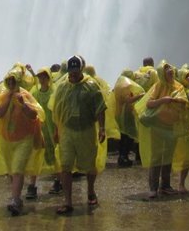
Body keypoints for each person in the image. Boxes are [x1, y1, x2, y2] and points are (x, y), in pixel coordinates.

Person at [48, 54, 106, 215]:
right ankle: (68, 201)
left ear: (82, 69)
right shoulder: (62, 86)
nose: (72, 74)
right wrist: (56, 130)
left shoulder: (92, 86)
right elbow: (57, 110)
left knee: (89, 165)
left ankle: (90, 191)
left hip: (86, 130)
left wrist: (102, 128)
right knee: (65, 165)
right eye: (70, 71)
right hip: (67, 131)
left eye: (75, 71)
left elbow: (101, 108)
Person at [0, 67, 45, 216]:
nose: (11, 83)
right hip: (7, 139)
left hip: (24, 139)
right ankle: (17, 196)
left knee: (17, 169)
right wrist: (8, 100)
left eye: (13, 81)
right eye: (9, 81)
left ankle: (15, 199)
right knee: (12, 171)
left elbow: (34, 115)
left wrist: (23, 104)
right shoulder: (3, 96)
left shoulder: (25, 95)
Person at [136, 60, 188, 198]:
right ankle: (153, 187)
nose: (170, 71)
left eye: (170, 68)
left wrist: (178, 101)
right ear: (161, 73)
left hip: (171, 126)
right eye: (166, 69)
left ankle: (165, 185)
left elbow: (185, 101)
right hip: (158, 126)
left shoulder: (179, 86)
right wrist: (163, 100)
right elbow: (149, 103)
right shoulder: (158, 86)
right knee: (156, 156)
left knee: (168, 156)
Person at [27, 67, 57, 199]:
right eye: (39, 77)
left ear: (48, 78)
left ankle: (58, 181)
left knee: (54, 155)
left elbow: (57, 111)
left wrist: (57, 129)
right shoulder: (35, 93)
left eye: (43, 77)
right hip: (39, 128)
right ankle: (32, 186)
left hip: (51, 127)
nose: (41, 79)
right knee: (36, 155)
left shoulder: (53, 92)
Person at [113, 69, 144, 168]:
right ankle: (124, 157)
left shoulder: (119, 85)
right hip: (127, 115)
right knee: (129, 136)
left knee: (123, 136)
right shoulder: (126, 86)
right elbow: (128, 100)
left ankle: (122, 157)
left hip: (120, 114)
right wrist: (140, 95)